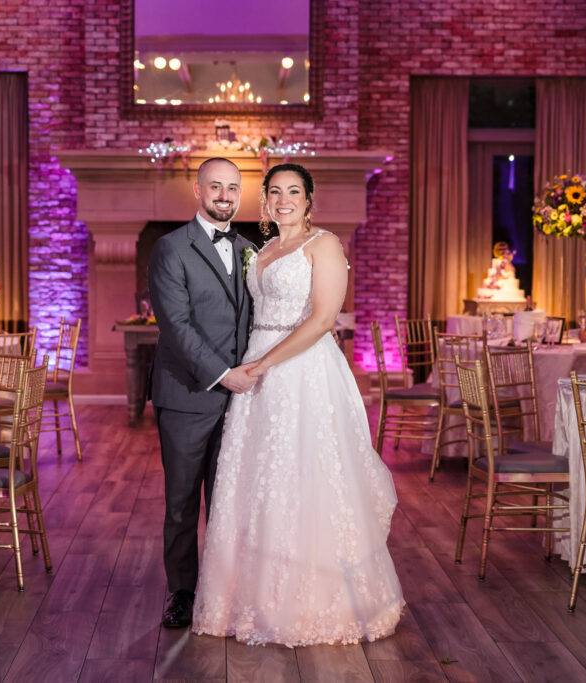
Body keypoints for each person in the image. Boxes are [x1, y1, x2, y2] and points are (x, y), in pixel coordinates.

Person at [192, 163, 404, 646]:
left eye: (293, 191)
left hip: (303, 371)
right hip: (255, 371)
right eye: (274, 192)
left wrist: (262, 365)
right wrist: (244, 366)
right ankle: (249, 599)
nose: (283, 199)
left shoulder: (323, 244)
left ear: (309, 199)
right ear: (265, 200)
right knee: (257, 478)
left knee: (307, 478)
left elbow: (323, 318)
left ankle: (315, 603)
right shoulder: (262, 250)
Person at [148, 157, 258, 629]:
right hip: (187, 397)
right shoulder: (170, 248)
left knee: (228, 500)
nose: (224, 196)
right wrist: (223, 374)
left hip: (241, 401)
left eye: (232, 188)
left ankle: (222, 588)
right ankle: (181, 592)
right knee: (181, 503)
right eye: (215, 186)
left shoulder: (252, 249)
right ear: (197, 190)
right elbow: (176, 327)